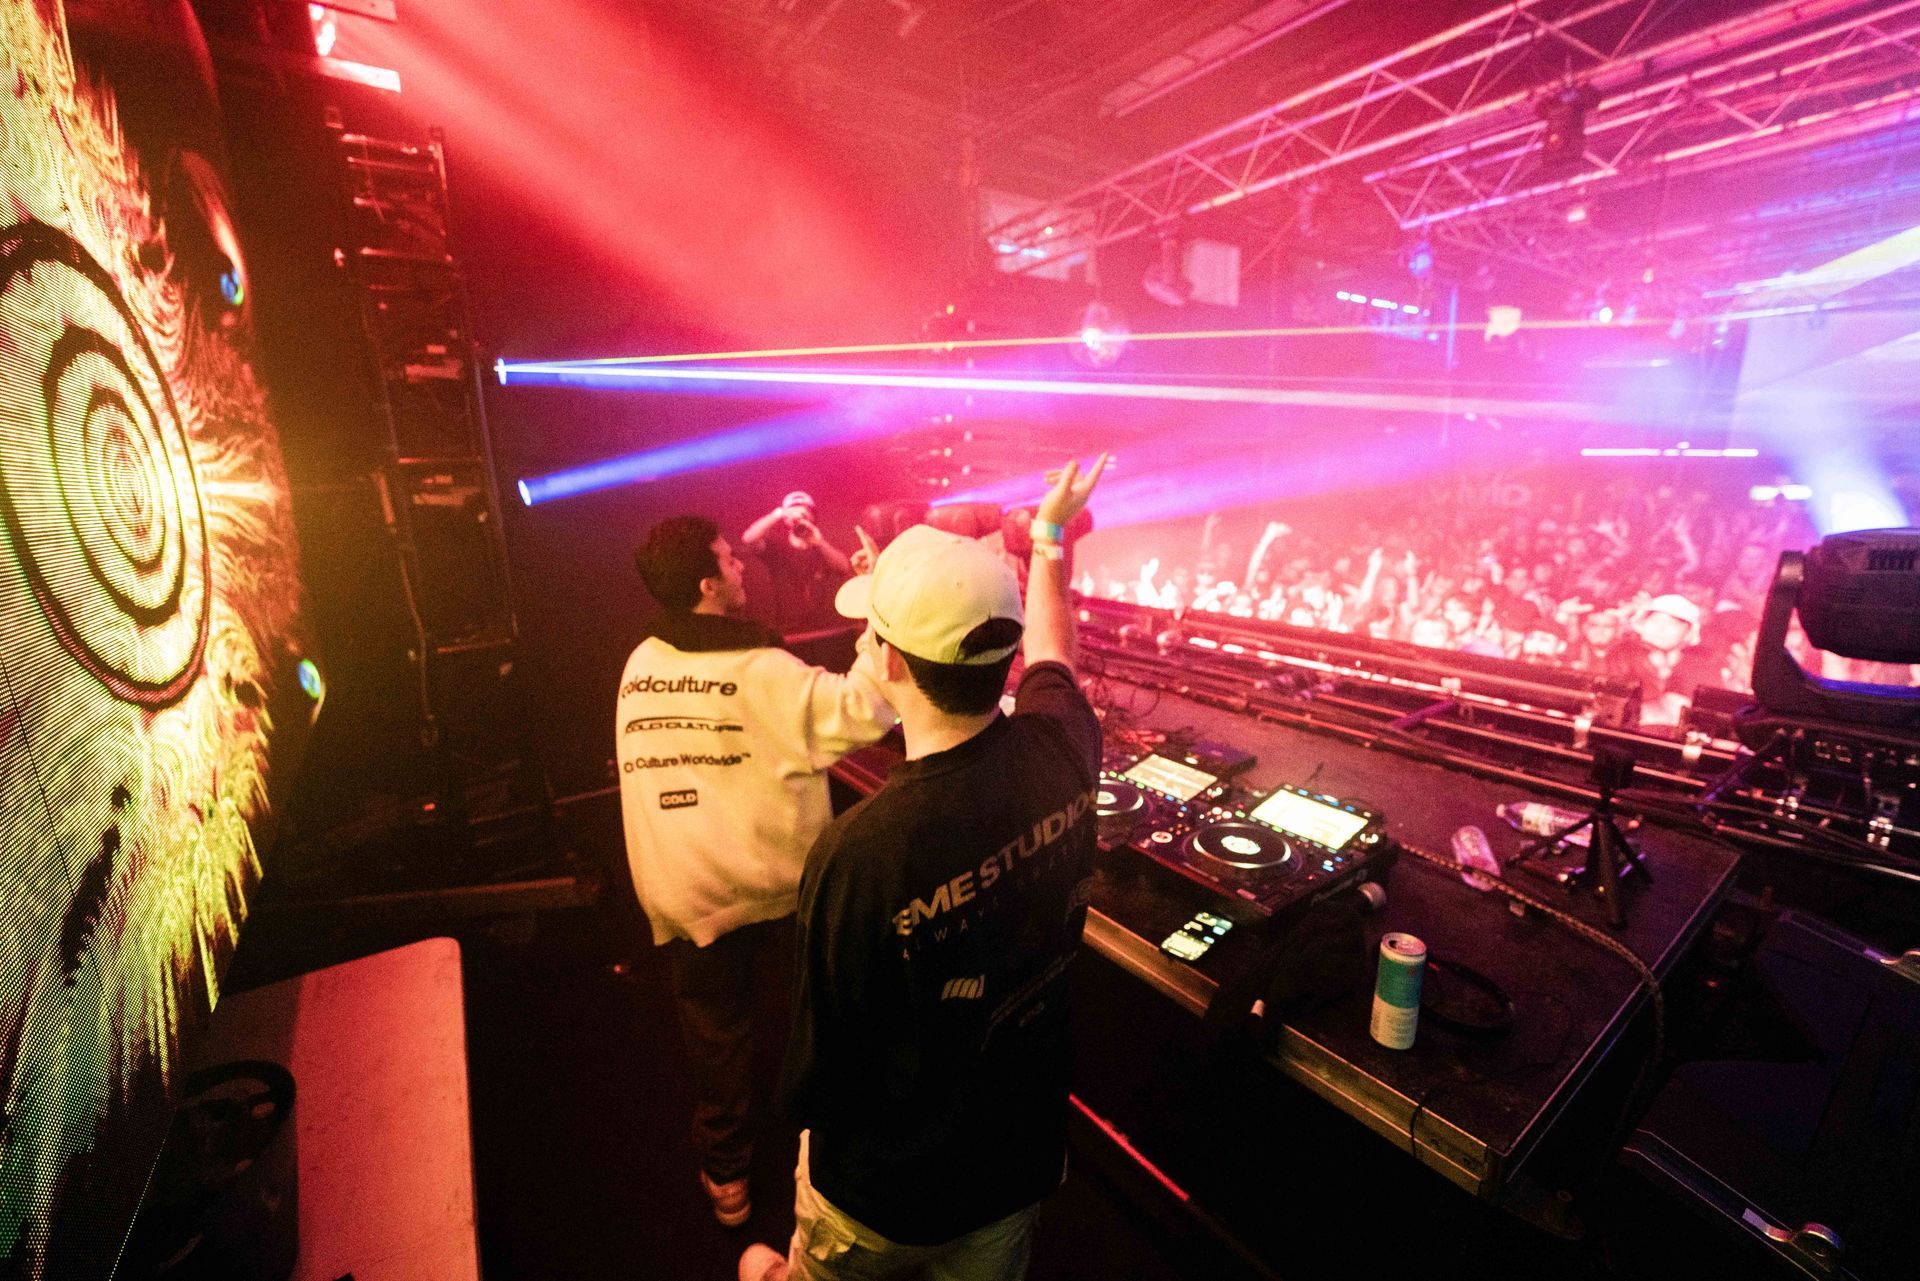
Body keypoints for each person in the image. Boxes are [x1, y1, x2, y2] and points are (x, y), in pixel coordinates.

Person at [740, 455, 1110, 1281]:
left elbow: (818, 1077)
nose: (863, 641)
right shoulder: (1065, 748)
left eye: (872, 632)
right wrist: (1048, 542)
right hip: (1011, 1170)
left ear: (895, 663)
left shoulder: (859, 852)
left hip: (883, 1199)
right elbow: (1056, 655)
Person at [618, 516, 896, 1227]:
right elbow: (867, 706)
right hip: (772, 888)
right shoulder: (764, 671)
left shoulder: (641, 660)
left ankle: (728, 1176)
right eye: (729, 559)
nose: (743, 564)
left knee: (716, 1036)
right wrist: (880, 610)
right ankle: (835, 1166)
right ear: (708, 584)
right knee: (814, 1021)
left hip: (686, 892)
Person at [742, 490, 855, 634]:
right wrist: (779, 513)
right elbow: (748, 539)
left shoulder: (821, 546)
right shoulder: (777, 547)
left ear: (813, 517)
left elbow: (844, 568)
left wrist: (819, 543)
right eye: (796, 514)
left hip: (823, 627)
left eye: (806, 514)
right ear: (787, 519)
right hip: (789, 629)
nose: (801, 519)